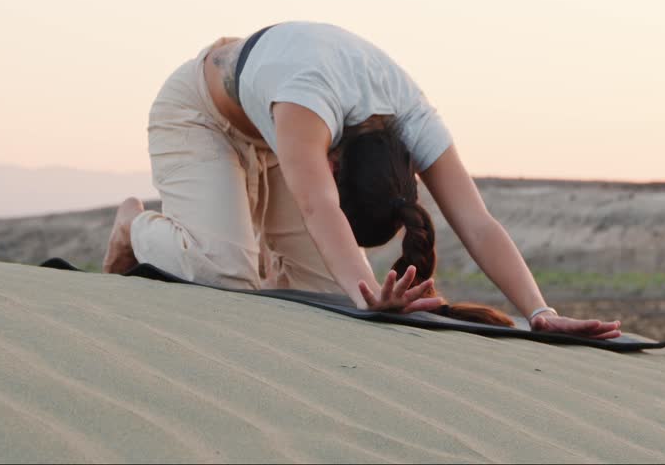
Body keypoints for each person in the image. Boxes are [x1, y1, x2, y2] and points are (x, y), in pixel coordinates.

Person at [103, 22, 621, 338]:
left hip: (278, 117)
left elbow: (477, 221)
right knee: (225, 276)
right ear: (332, 169)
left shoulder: (412, 120)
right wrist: (371, 293)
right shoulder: (310, 105)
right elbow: (320, 210)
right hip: (200, 110)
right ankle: (134, 226)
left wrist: (540, 311)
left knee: (326, 297)